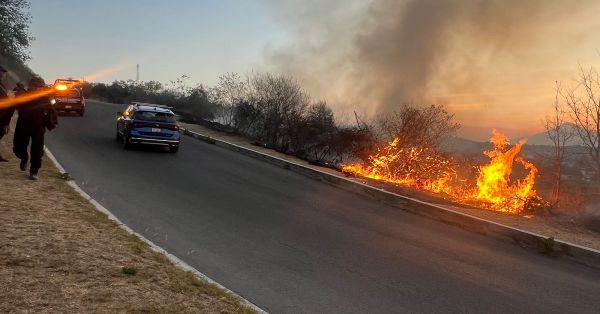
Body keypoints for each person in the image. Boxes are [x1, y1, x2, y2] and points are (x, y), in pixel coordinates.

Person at [13, 76, 58, 180]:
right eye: (35, 86)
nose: (38, 88)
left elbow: (52, 110)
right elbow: (14, 106)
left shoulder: (46, 97)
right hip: (23, 124)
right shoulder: (23, 95)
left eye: (40, 86)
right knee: (18, 147)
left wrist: (53, 122)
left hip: (39, 126)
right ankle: (24, 158)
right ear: (30, 86)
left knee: (37, 150)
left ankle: (34, 171)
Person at [0, 65, 14, 162]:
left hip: (2, 115)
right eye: (2, 72)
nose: (3, 74)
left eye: (4, 73)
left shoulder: (2, 85)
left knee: (0, 133)